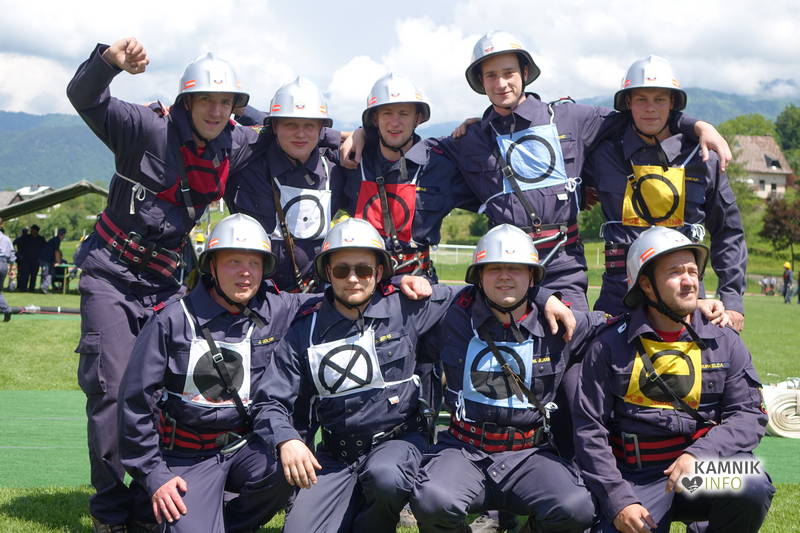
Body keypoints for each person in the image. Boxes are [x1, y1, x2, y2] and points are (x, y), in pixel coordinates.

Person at [251, 218, 571, 532]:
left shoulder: (407, 305)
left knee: (386, 477)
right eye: (342, 270)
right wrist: (287, 439)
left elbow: (490, 292)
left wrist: (543, 296)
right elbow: (269, 401)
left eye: (363, 270)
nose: (353, 279)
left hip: (397, 444)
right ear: (327, 273)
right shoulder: (306, 325)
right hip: (335, 454)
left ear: (379, 272)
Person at [67, 37, 258, 531]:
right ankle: (111, 512)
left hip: (167, 283)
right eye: (205, 99)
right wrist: (108, 62)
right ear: (185, 102)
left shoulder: (235, 143)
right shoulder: (146, 127)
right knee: (112, 391)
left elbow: (287, 133)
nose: (215, 110)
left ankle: (151, 496)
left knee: (167, 390)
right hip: (110, 275)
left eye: (226, 101)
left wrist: (350, 137)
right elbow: (84, 97)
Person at [118, 214, 311, 532]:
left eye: (254, 263)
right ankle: (159, 508)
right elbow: (135, 405)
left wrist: (395, 285)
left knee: (285, 467)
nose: (245, 272)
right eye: (234, 261)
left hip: (246, 449)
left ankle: (228, 523)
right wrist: (154, 475)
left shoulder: (278, 309)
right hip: (185, 455)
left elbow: (340, 298)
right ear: (212, 265)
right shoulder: (171, 320)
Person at [574, 226, 774, 533]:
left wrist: (700, 453)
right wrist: (618, 500)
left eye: (693, 271)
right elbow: (590, 431)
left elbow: (748, 415)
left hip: (702, 468)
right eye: (675, 272)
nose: (689, 281)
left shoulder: (725, 340)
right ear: (646, 284)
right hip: (637, 478)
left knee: (752, 482)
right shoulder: (608, 345)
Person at [410, 224, 603, 533]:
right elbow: (379, 294)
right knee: (433, 500)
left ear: (532, 277)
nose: (504, 276)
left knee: (575, 507)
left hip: (530, 453)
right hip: (464, 449)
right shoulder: (452, 314)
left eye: (516, 269)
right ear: (478, 276)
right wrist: (404, 280)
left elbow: (618, 325)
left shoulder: (559, 322)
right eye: (494, 269)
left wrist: (547, 297)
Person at [582, 56, 747, 330]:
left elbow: (728, 232)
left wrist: (731, 301)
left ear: (672, 103)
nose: (650, 108)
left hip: (686, 298)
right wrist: (579, 195)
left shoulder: (704, 158)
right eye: (641, 99)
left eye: (659, 99)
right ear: (628, 103)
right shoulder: (603, 155)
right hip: (618, 298)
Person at [342, 73, 478, 280]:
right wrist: (351, 134)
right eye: (387, 113)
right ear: (375, 119)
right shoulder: (351, 160)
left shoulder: (441, 167)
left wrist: (482, 132)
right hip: (359, 282)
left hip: (417, 282)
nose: (394, 122)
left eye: (404, 114)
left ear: (418, 118)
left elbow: (494, 197)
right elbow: (303, 137)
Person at [225, 77, 346, 292]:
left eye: (309, 125)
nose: (300, 134)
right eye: (290, 124)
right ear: (274, 126)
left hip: (316, 295)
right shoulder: (245, 164)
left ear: (321, 130)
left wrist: (361, 134)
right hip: (252, 295)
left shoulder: (337, 171)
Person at [17, 224, 46, 291]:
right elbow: (19, 245)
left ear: (37, 231)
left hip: (36, 260)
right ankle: (23, 288)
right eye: (32, 230)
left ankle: (31, 288)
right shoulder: (26, 237)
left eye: (34, 230)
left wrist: (41, 257)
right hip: (26, 259)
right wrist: (20, 254)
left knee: (34, 275)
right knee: (25, 275)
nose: (32, 231)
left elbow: (44, 248)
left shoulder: (41, 239)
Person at [39, 227, 66, 294]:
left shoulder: (54, 239)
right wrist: (58, 262)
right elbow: (56, 251)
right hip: (47, 259)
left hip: (45, 259)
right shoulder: (57, 240)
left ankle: (43, 287)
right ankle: (44, 288)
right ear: (63, 235)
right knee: (49, 273)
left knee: (46, 273)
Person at [0, 218, 14, 321]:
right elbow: (12, 256)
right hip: (3, 264)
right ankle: (5, 309)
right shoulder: (7, 239)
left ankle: (6, 309)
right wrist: (10, 270)